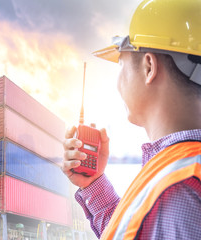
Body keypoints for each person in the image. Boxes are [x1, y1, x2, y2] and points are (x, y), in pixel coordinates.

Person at [62, 0, 201, 239]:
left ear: (149, 67)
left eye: (120, 64)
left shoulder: (177, 187)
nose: (118, 82)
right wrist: (93, 183)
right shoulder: (178, 171)